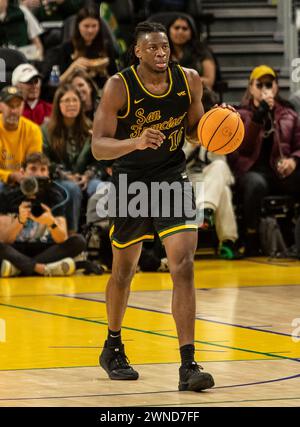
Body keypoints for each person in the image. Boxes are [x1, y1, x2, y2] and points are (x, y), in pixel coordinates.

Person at [92, 21, 215, 392]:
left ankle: (188, 363)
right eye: (154, 48)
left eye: (165, 47)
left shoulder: (190, 80)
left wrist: (215, 124)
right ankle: (113, 346)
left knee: (184, 264)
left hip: (172, 176)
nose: (162, 53)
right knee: (124, 271)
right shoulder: (119, 86)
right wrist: (135, 142)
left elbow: (194, 130)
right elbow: (99, 146)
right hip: (131, 181)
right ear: (138, 52)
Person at [229, 65, 300, 255]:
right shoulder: (240, 114)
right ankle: (250, 237)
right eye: (259, 84)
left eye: (269, 84)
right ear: (251, 87)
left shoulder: (289, 114)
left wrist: (293, 160)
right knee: (256, 184)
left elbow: (299, 145)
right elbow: (243, 147)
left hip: (278, 171)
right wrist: (258, 116)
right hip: (250, 171)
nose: (264, 88)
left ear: (276, 87)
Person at [0, 152, 86, 277]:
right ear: (22, 172)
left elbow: (62, 238)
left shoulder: (55, 195)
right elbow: (5, 240)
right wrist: (20, 220)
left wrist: (51, 222)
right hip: (17, 248)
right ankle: (44, 268)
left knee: (79, 241)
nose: (38, 174)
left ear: (48, 174)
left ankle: (18, 268)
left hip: (45, 249)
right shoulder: (8, 196)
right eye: (33, 169)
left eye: (43, 169)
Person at [184, 88, 241, 259]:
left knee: (220, 171)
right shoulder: (180, 125)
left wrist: (214, 143)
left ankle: (205, 212)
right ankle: (228, 242)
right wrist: (192, 145)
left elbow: (224, 172)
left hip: (208, 183)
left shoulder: (215, 128)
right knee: (222, 191)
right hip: (184, 181)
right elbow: (174, 163)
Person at [42, 83, 103, 233]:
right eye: (66, 101)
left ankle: (98, 237)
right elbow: (44, 161)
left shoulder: (90, 127)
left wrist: (88, 176)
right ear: (58, 105)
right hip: (57, 179)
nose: (71, 104)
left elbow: (99, 159)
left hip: (85, 179)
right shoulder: (46, 130)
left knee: (104, 188)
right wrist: (65, 175)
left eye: (75, 100)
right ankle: (72, 237)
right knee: (73, 189)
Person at [45, 5, 118, 89]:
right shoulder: (66, 48)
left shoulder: (106, 47)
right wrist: (73, 66)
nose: (90, 30)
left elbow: (115, 77)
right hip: (74, 92)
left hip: (101, 92)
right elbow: (56, 84)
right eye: (86, 26)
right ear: (78, 26)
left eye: (94, 26)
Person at [0, 85, 43, 191]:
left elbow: (35, 163)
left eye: (18, 105)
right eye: (10, 105)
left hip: (25, 179)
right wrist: (10, 176)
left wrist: (24, 176)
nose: (14, 111)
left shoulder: (33, 129)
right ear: (0, 106)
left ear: (23, 106)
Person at [167, 14, 216, 90]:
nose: (180, 31)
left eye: (185, 28)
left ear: (191, 33)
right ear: (169, 31)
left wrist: (182, 83)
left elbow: (209, 81)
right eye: (176, 28)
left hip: (200, 93)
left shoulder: (202, 51)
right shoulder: (162, 52)